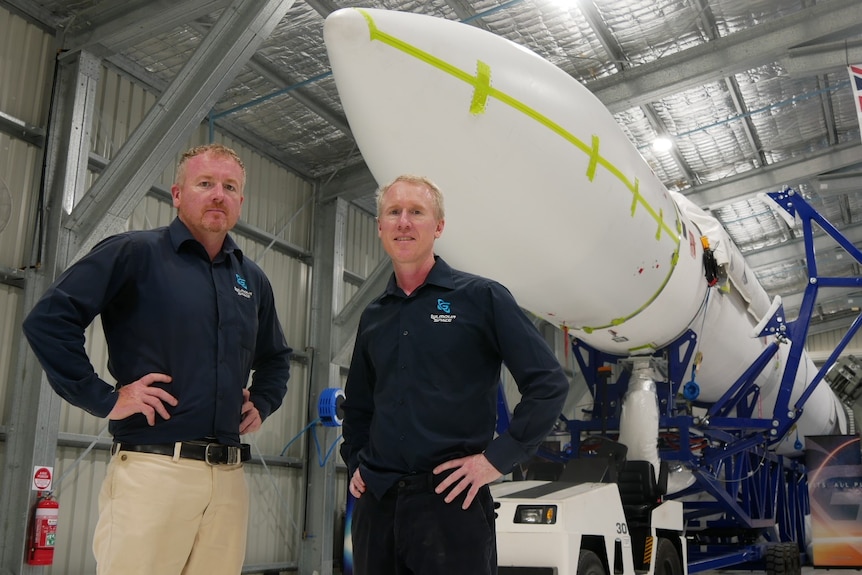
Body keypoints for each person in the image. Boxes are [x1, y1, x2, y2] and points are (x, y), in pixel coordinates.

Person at [22, 143, 292, 575]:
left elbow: (277, 357)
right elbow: (49, 321)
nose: (218, 194)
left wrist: (263, 401)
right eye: (205, 184)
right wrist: (106, 399)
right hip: (153, 471)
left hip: (228, 481)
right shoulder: (134, 253)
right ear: (178, 193)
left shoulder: (252, 279)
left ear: (241, 200)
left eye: (229, 186)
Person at [341, 174, 569, 575]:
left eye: (417, 212)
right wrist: (356, 460)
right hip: (377, 509)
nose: (404, 222)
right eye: (393, 212)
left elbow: (548, 383)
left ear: (439, 226)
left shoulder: (481, 298)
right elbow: (359, 404)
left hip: (451, 504)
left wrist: (496, 460)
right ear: (380, 227)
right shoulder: (374, 317)